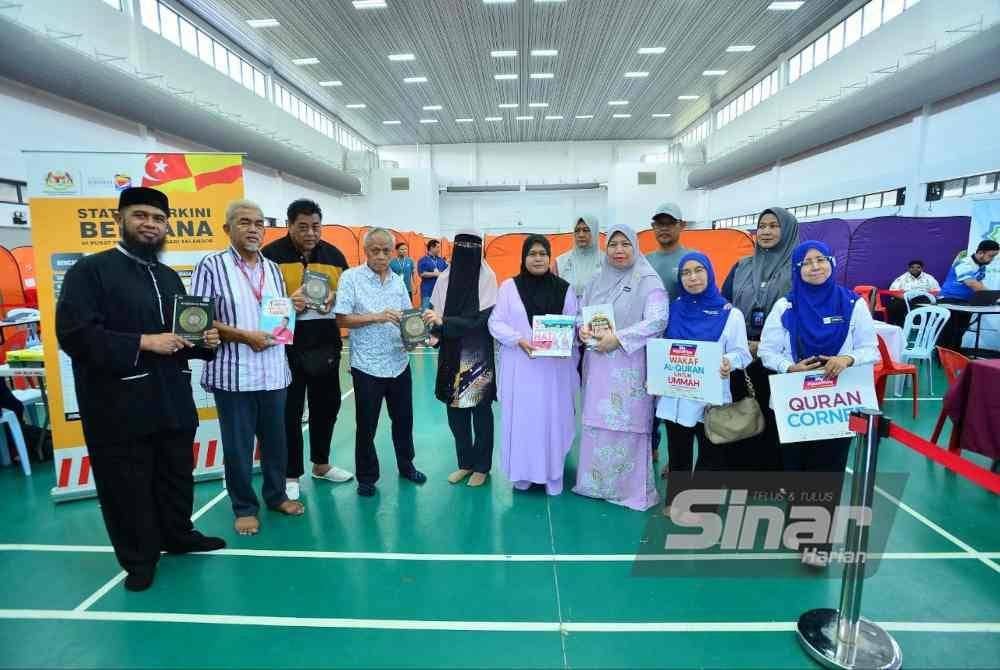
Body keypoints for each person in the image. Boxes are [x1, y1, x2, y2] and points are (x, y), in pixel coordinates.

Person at [56, 186, 225, 591]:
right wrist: (143, 342)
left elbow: (182, 335)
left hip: (172, 398)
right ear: (120, 220)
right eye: (141, 216)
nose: (150, 224)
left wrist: (205, 343)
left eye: (158, 219)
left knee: (175, 474)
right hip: (118, 406)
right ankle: (139, 559)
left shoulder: (168, 276)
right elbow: (75, 335)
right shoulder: (90, 272)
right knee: (126, 484)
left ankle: (178, 535)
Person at [759, 240, 878, 567]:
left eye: (820, 260)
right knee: (796, 470)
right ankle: (798, 528)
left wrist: (847, 358)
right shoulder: (785, 305)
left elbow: (871, 349)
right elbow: (767, 351)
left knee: (828, 471)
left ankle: (818, 544)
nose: (814, 267)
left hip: (837, 403)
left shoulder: (852, 303)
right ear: (797, 269)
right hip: (794, 403)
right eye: (806, 263)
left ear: (831, 263)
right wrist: (789, 367)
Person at [192, 199, 306, 536]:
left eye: (259, 223)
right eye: (244, 222)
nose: (253, 229)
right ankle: (243, 507)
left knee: (276, 441)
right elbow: (196, 318)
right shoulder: (211, 266)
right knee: (238, 446)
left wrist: (292, 307)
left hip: (273, 372)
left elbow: (276, 314)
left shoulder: (273, 269)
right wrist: (244, 336)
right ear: (227, 228)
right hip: (234, 374)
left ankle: (276, 495)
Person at [262, 198, 353, 502]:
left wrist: (336, 296)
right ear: (289, 226)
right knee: (289, 412)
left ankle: (321, 464)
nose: (311, 233)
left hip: (325, 344)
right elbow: (258, 303)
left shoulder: (335, 256)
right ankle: (291, 474)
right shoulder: (269, 257)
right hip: (284, 347)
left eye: (315, 226)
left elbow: (349, 297)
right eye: (303, 227)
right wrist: (289, 303)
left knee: (327, 407)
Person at [573, 224, 667, 511]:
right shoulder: (596, 279)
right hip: (598, 365)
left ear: (635, 246)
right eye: (613, 244)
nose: (619, 250)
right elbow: (580, 313)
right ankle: (595, 485)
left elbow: (657, 321)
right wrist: (583, 330)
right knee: (597, 423)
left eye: (625, 244)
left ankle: (629, 490)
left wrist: (619, 338)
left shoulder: (648, 280)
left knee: (628, 425)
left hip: (631, 366)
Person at [655, 253, 751, 515]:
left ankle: (704, 505)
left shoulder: (730, 314)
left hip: (711, 396)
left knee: (711, 452)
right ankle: (676, 501)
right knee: (678, 450)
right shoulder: (673, 309)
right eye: (686, 273)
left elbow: (743, 353)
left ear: (709, 273)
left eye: (699, 270)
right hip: (677, 393)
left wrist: (729, 361)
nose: (693, 277)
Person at [335, 228, 427, 497]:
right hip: (367, 366)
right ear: (365, 251)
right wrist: (377, 316)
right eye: (375, 250)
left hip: (399, 362)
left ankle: (407, 465)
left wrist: (415, 337)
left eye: (386, 251)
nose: (381, 256)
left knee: (404, 420)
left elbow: (409, 318)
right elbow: (341, 319)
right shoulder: (351, 278)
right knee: (367, 425)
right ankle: (366, 477)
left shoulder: (398, 281)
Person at [489, 235, 579, 494]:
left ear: (550, 258)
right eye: (532, 254)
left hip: (553, 372)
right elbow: (495, 322)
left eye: (543, 254)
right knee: (524, 421)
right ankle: (523, 474)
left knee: (552, 420)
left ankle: (552, 475)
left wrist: (568, 338)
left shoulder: (564, 289)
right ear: (524, 257)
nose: (538, 258)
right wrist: (518, 340)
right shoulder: (509, 287)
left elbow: (574, 322)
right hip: (521, 369)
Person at [720, 207, 800, 473]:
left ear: (787, 230)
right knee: (742, 415)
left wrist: (765, 345)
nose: (765, 231)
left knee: (773, 418)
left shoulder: (800, 268)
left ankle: (772, 477)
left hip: (781, 358)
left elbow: (803, 311)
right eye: (761, 226)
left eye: (773, 226)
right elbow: (724, 306)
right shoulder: (741, 266)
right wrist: (740, 343)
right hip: (741, 354)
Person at [423, 231, 498, 487]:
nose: (466, 251)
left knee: (480, 411)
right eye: (461, 245)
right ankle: (465, 463)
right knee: (455, 411)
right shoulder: (445, 278)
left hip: (477, 353)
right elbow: (435, 313)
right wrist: (433, 333)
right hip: (451, 352)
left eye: (471, 246)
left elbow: (480, 320)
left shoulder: (488, 278)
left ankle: (482, 467)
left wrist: (444, 322)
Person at [645, 203, 691, 461]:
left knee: (677, 404)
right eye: (659, 224)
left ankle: (676, 461)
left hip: (680, 345)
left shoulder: (691, 259)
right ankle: (650, 449)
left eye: (669, 223)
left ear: (681, 226)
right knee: (647, 400)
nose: (663, 228)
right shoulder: (644, 261)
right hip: (649, 344)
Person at [937, 240, 1000, 351]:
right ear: (980, 253)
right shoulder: (963, 263)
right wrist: (997, 297)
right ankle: (940, 356)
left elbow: (979, 284)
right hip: (949, 300)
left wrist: (993, 298)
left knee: (960, 331)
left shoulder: (981, 266)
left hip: (965, 302)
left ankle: (955, 354)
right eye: (991, 256)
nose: (992, 259)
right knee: (949, 332)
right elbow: (972, 283)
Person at [555, 215, 602, 301]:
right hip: (567, 309)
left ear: (594, 231)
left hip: (597, 308)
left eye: (586, 230)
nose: (581, 235)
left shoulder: (606, 261)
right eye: (577, 230)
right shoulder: (560, 262)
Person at [886, 260, 940, 326]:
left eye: (918, 267)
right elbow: (893, 291)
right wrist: (905, 298)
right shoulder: (902, 278)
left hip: (924, 299)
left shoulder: (929, 278)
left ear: (922, 269)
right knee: (893, 306)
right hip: (906, 299)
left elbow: (937, 291)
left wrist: (928, 296)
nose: (915, 269)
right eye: (912, 267)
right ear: (909, 269)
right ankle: (898, 326)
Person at [417, 239, 448, 310]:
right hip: (427, 291)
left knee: (437, 313)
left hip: (439, 292)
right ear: (431, 248)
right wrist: (436, 274)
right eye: (437, 247)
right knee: (426, 312)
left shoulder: (441, 260)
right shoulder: (423, 260)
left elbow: (446, 271)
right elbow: (422, 274)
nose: (439, 249)